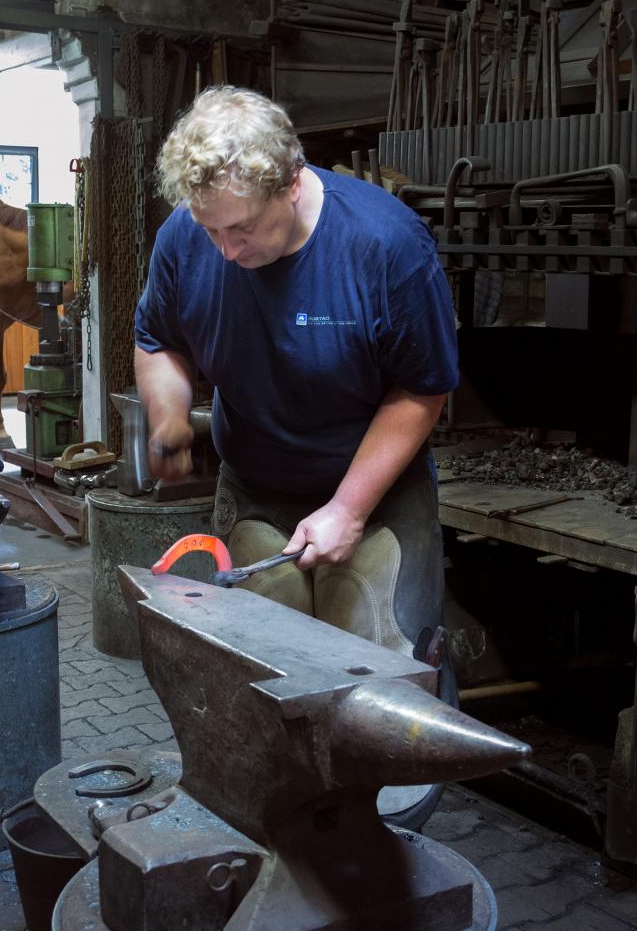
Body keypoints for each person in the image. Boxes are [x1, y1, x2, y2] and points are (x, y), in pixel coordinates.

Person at [133, 86, 459, 825]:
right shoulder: (191, 236)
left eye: (241, 230)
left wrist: (347, 509)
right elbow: (160, 339)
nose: (225, 251)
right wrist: (170, 417)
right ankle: (282, 843)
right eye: (209, 230)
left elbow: (422, 391)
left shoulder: (386, 246)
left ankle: (382, 853)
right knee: (259, 679)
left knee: (375, 684)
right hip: (257, 485)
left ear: (290, 181)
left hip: (374, 493)